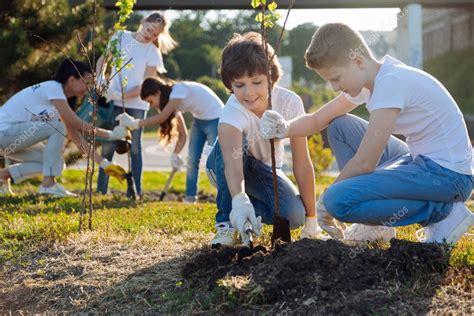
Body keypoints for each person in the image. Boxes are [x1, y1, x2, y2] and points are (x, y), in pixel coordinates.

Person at [259, 23, 473, 245]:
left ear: (358, 61)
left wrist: (326, 201)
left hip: (448, 176)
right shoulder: (374, 79)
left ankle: (443, 213)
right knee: (340, 126)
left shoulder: (390, 83)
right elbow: (317, 120)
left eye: (336, 78)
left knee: (338, 201)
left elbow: (365, 163)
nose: (333, 87)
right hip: (420, 159)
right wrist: (284, 128)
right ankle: (376, 226)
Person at [204, 32, 321, 247]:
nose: (249, 93)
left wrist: (312, 220)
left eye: (257, 82)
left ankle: (244, 211)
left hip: (262, 171)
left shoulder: (289, 103)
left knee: (294, 215)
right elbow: (231, 161)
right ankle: (226, 223)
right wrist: (239, 199)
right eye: (239, 85)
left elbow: (302, 163)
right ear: (230, 84)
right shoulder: (232, 111)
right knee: (239, 144)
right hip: (224, 167)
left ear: (272, 78)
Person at [0, 59, 128, 197]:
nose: (89, 88)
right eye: (87, 82)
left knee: (57, 164)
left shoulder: (60, 100)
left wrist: (104, 164)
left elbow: (76, 137)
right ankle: (48, 185)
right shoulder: (53, 88)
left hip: (10, 140)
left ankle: (2, 175)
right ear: (72, 80)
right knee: (57, 127)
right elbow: (78, 125)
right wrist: (112, 135)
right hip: (4, 133)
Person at [96, 11, 177, 197]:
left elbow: (146, 85)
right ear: (142, 22)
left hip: (137, 105)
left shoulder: (153, 52)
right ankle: (101, 190)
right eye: (149, 29)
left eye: (155, 34)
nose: (150, 35)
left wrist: (120, 95)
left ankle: (135, 191)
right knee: (109, 144)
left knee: (134, 147)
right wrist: (100, 79)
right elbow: (104, 59)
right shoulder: (120, 36)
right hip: (112, 101)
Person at [118, 76, 224, 203]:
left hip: (216, 118)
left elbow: (162, 118)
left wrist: (135, 123)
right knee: (192, 160)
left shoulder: (177, 92)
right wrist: (175, 155)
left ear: (157, 93)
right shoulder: (173, 102)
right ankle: (190, 198)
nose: (152, 106)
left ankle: (224, 197)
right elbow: (183, 135)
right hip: (199, 120)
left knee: (216, 161)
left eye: (150, 101)